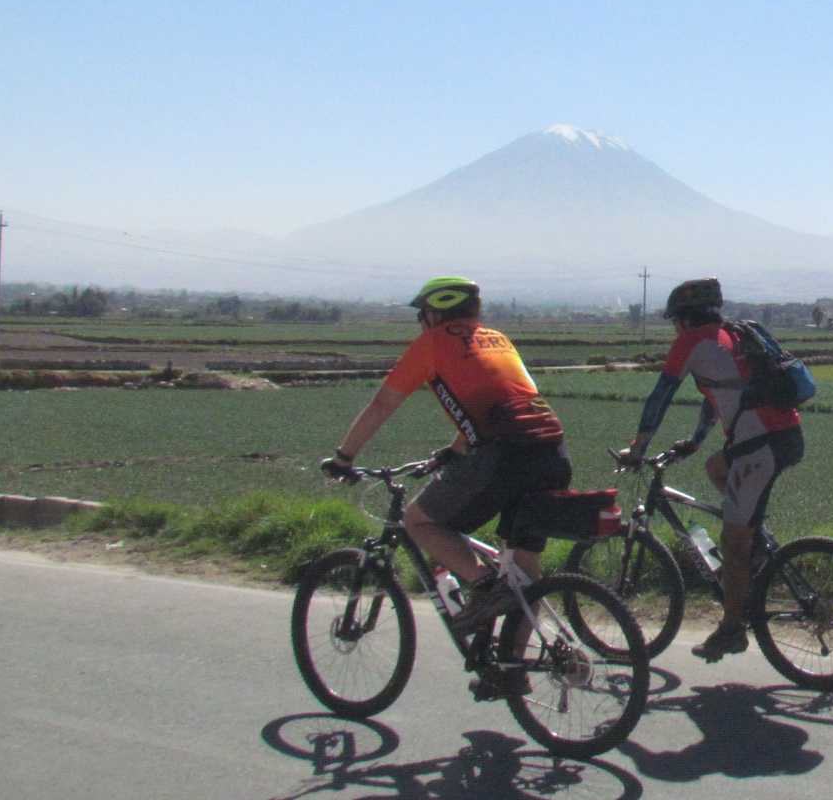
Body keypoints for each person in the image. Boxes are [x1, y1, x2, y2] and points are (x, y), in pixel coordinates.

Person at [321, 276, 570, 635]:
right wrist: (454, 451)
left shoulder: (433, 343)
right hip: (553, 452)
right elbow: (503, 404)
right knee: (522, 564)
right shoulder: (497, 339)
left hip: (504, 457)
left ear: (436, 313)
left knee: (419, 521)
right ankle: (513, 670)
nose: (421, 323)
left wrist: (344, 457)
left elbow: (381, 404)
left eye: (422, 315)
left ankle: (484, 587)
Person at [617, 277, 806, 661]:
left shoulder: (690, 343)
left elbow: (661, 396)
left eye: (674, 321)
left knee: (733, 544)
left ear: (683, 319)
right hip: (783, 435)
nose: (674, 328)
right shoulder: (731, 336)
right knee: (715, 467)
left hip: (760, 446)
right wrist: (697, 440)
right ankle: (756, 543)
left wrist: (638, 448)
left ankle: (732, 628)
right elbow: (717, 394)